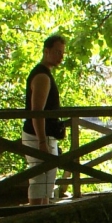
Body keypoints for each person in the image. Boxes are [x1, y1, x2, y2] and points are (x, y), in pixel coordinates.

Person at [22, 34, 66, 205]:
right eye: (57, 52)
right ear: (46, 51)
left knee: (46, 177)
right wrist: (41, 142)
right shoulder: (42, 77)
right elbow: (37, 112)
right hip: (40, 135)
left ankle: (43, 210)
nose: (61, 56)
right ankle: (35, 213)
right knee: (40, 177)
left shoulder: (44, 74)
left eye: (62, 53)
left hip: (44, 134)